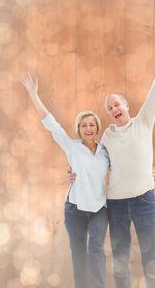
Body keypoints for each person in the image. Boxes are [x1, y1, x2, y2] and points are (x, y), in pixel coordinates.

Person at [68, 23, 155, 288]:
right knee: (120, 262)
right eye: (109, 107)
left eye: (117, 104)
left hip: (144, 200)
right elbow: (93, 161)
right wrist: (74, 172)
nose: (113, 109)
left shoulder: (144, 121)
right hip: (117, 204)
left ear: (126, 106)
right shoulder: (106, 136)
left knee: (152, 259)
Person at [20, 73, 110, 288]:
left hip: (100, 208)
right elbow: (51, 124)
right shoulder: (72, 147)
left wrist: (148, 172)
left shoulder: (107, 151)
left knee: (96, 250)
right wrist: (34, 94)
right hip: (75, 209)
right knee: (79, 254)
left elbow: (125, 167)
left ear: (97, 127)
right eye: (83, 126)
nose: (88, 129)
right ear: (78, 130)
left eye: (91, 125)